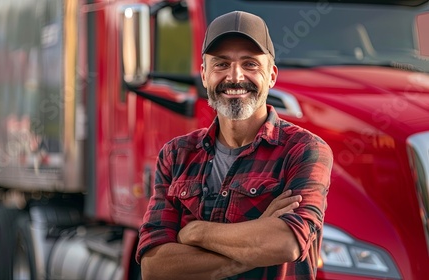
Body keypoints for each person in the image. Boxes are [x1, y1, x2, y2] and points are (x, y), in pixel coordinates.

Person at [136, 10, 333, 280]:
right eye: (221, 64)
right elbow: (154, 267)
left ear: (272, 75)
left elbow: (285, 243)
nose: (235, 77)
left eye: (250, 64)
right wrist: (257, 236)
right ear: (204, 75)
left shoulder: (304, 150)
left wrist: (196, 233)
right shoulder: (176, 155)